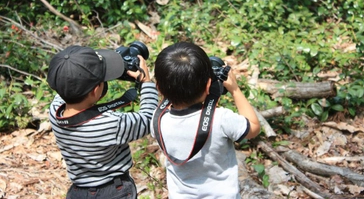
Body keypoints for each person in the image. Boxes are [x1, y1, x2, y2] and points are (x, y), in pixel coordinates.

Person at [151, 41, 261, 198]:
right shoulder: (221, 119)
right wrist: (235, 90)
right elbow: (254, 128)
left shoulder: (158, 120)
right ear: (208, 85)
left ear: (159, 88)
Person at [47, 45, 158, 199]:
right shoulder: (111, 124)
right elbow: (148, 119)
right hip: (114, 191)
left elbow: (69, 83)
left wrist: (85, 68)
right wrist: (146, 82)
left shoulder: (55, 111)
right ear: (95, 91)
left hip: (78, 192)